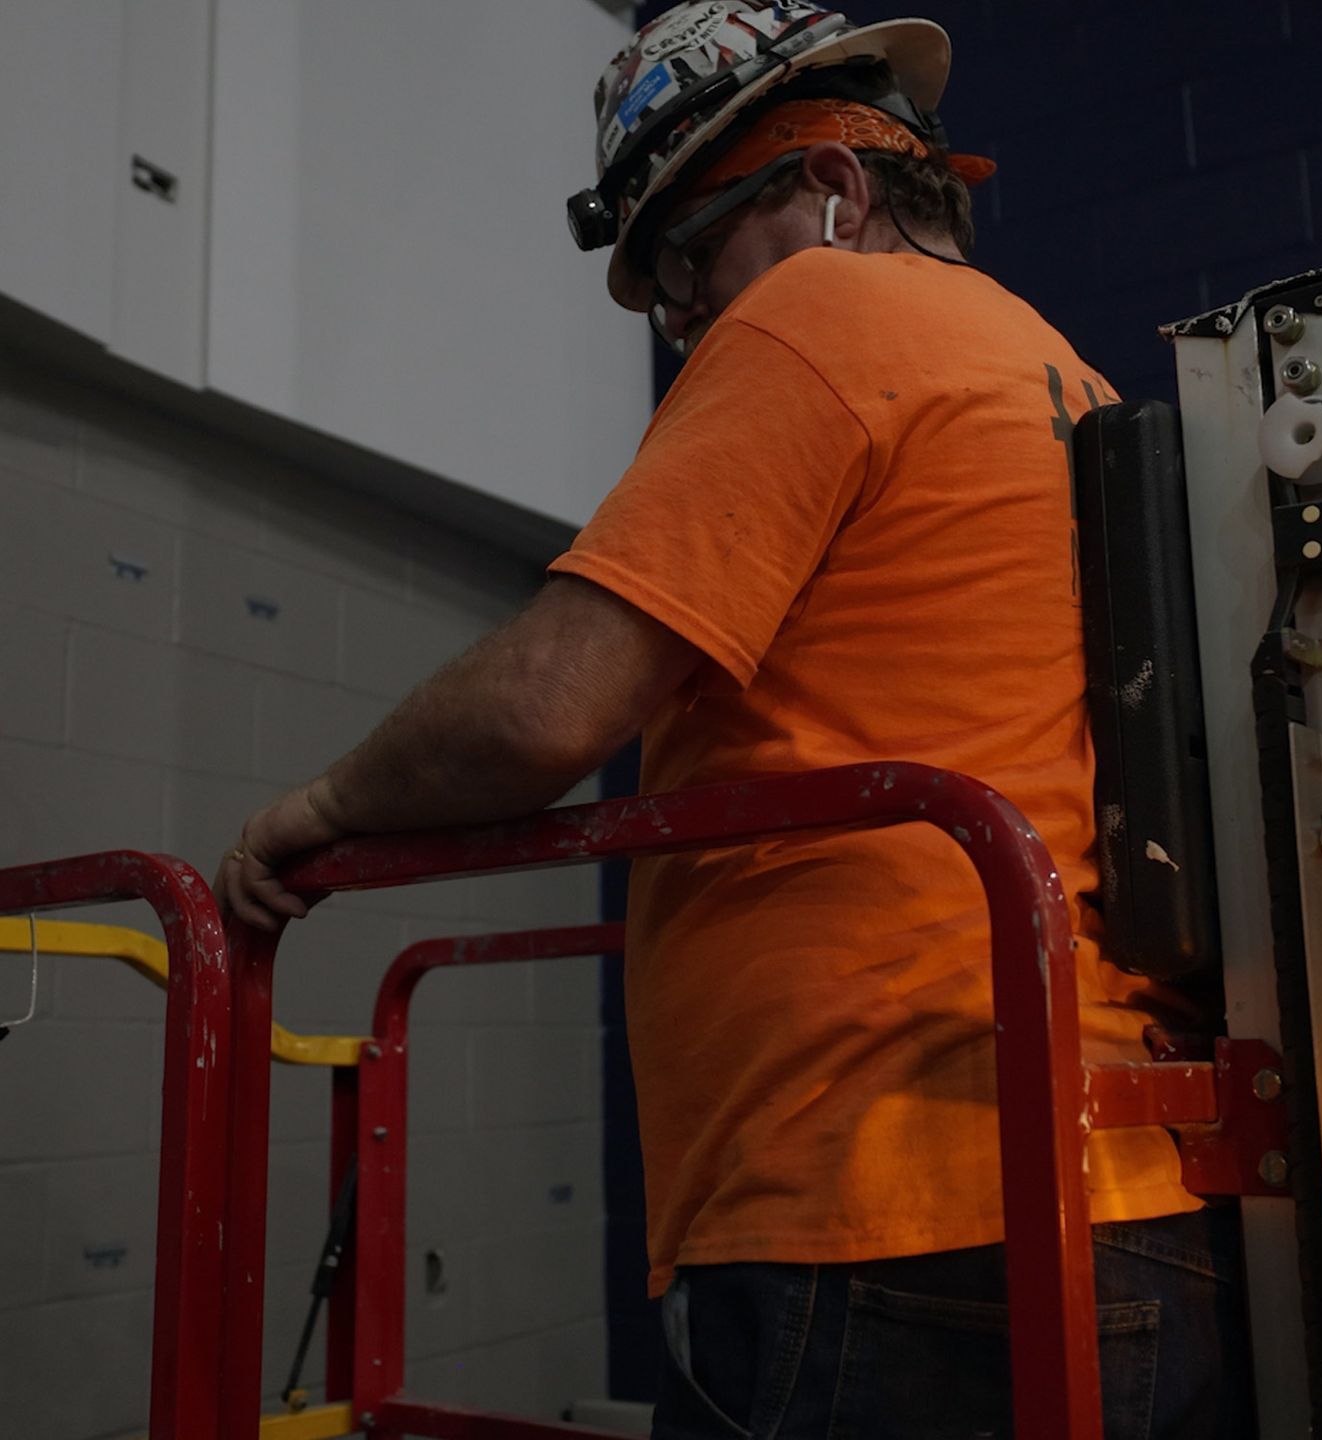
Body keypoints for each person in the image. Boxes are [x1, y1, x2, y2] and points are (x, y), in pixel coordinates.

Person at [216, 3, 1254, 1434]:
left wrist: (318, 813)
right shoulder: (1049, 365)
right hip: (1093, 1187)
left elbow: (547, 705)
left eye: (691, 260)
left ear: (829, 187)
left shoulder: (822, 314)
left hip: (880, 1197)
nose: (689, 321)